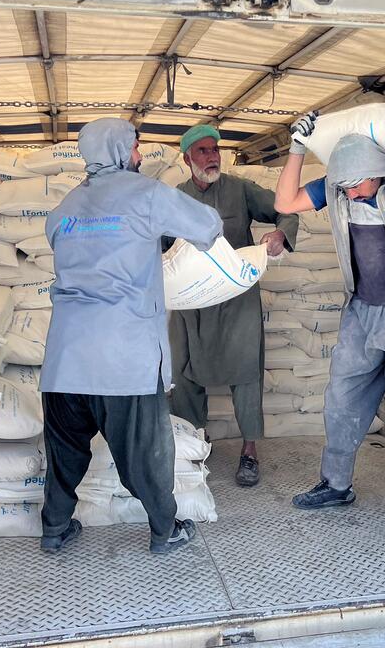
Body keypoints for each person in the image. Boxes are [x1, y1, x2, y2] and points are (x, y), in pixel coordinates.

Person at [39, 118, 224, 555]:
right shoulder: (147, 194)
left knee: (64, 455)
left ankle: (54, 529)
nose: (139, 156)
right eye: (136, 148)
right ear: (122, 150)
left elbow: (63, 241)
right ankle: (165, 529)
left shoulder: (65, 208)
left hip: (65, 357)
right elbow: (208, 226)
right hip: (124, 358)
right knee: (146, 454)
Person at [273, 106, 385, 545]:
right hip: (361, 313)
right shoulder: (336, 191)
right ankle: (336, 486)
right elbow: (284, 202)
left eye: (357, 184)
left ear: (377, 171)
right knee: (341, 406)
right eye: (344, 185)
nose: (351, 193)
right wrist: (297, 147)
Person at [166, 124, 299, 487]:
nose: (212, 157)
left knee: (246, 370)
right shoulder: (175, 198)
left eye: (215, 150)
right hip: (193, 302)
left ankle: (250, 451)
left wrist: (280, 233)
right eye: (203, 151)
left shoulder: (240, 190)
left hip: (236, 300)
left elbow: (285, 209)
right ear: (187, 158)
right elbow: (156, 243)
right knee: (183, 370)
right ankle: (193, 444)